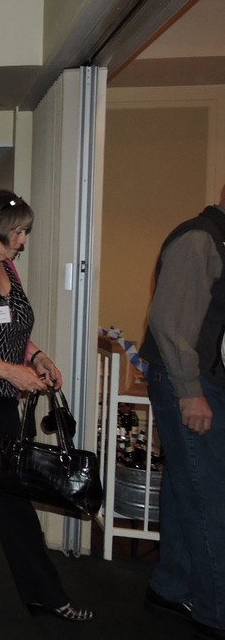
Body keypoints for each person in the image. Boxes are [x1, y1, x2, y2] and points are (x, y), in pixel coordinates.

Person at [0, 188, 93, 621]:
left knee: (15, 500)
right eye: (17, 232)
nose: (23, 241)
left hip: (1, 406)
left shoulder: (8, 270)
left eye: (25, 232)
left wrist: (36, 357)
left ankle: (44, 595)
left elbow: (15, 329)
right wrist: (11, 372)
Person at [138, 183, 225, 640]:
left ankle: (172, 587)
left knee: (185, 487)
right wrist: (191, 393)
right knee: (209, 497)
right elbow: (170, 325)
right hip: (188, 384)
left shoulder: (215, 239)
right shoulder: (200, 238)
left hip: (197, 381)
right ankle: (216, 610)